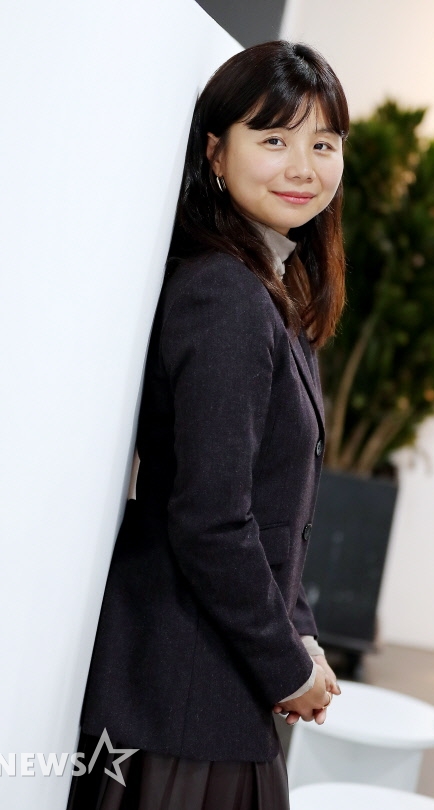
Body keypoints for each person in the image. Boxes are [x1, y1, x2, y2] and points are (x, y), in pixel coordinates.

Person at [68, 40, 349, 810]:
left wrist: (301, 633)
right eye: (275, 139)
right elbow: (212, 520)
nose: (303, 167)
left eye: (324, 144)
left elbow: (274, 512)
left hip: (209, 694)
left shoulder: (274, 289)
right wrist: (287, 668)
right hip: (179, 697)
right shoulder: (224, 294)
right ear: (216, 153)